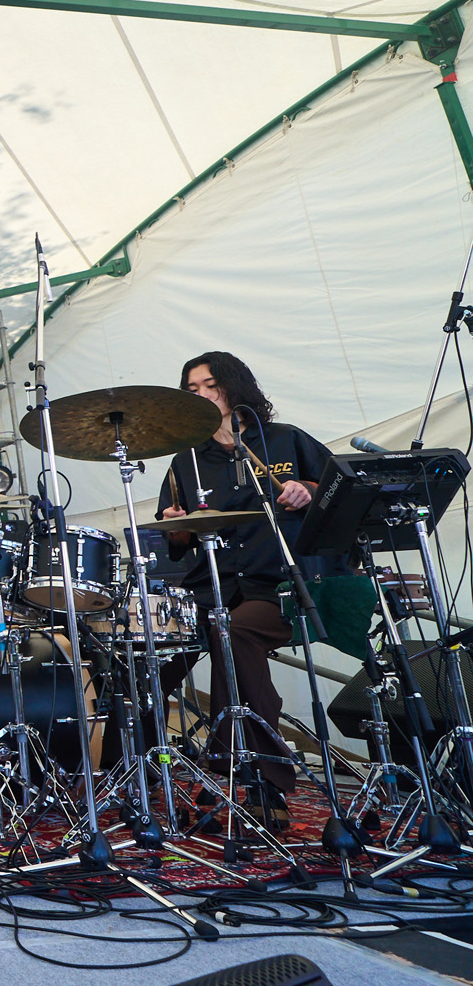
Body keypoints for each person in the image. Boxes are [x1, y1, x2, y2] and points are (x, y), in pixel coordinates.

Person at [154, 351, 331, 821]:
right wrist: (177, 523)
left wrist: (308, 490)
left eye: (210, 385)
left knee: (234, 631)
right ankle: (126, 775)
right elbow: (176, 539)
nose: (201, 394)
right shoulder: (187, 460)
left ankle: (260, 780)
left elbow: (336, 490)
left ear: (234, 386)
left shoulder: (284, 439)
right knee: (144, 653)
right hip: (210, 586)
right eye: (192, 389)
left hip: (280, 586)